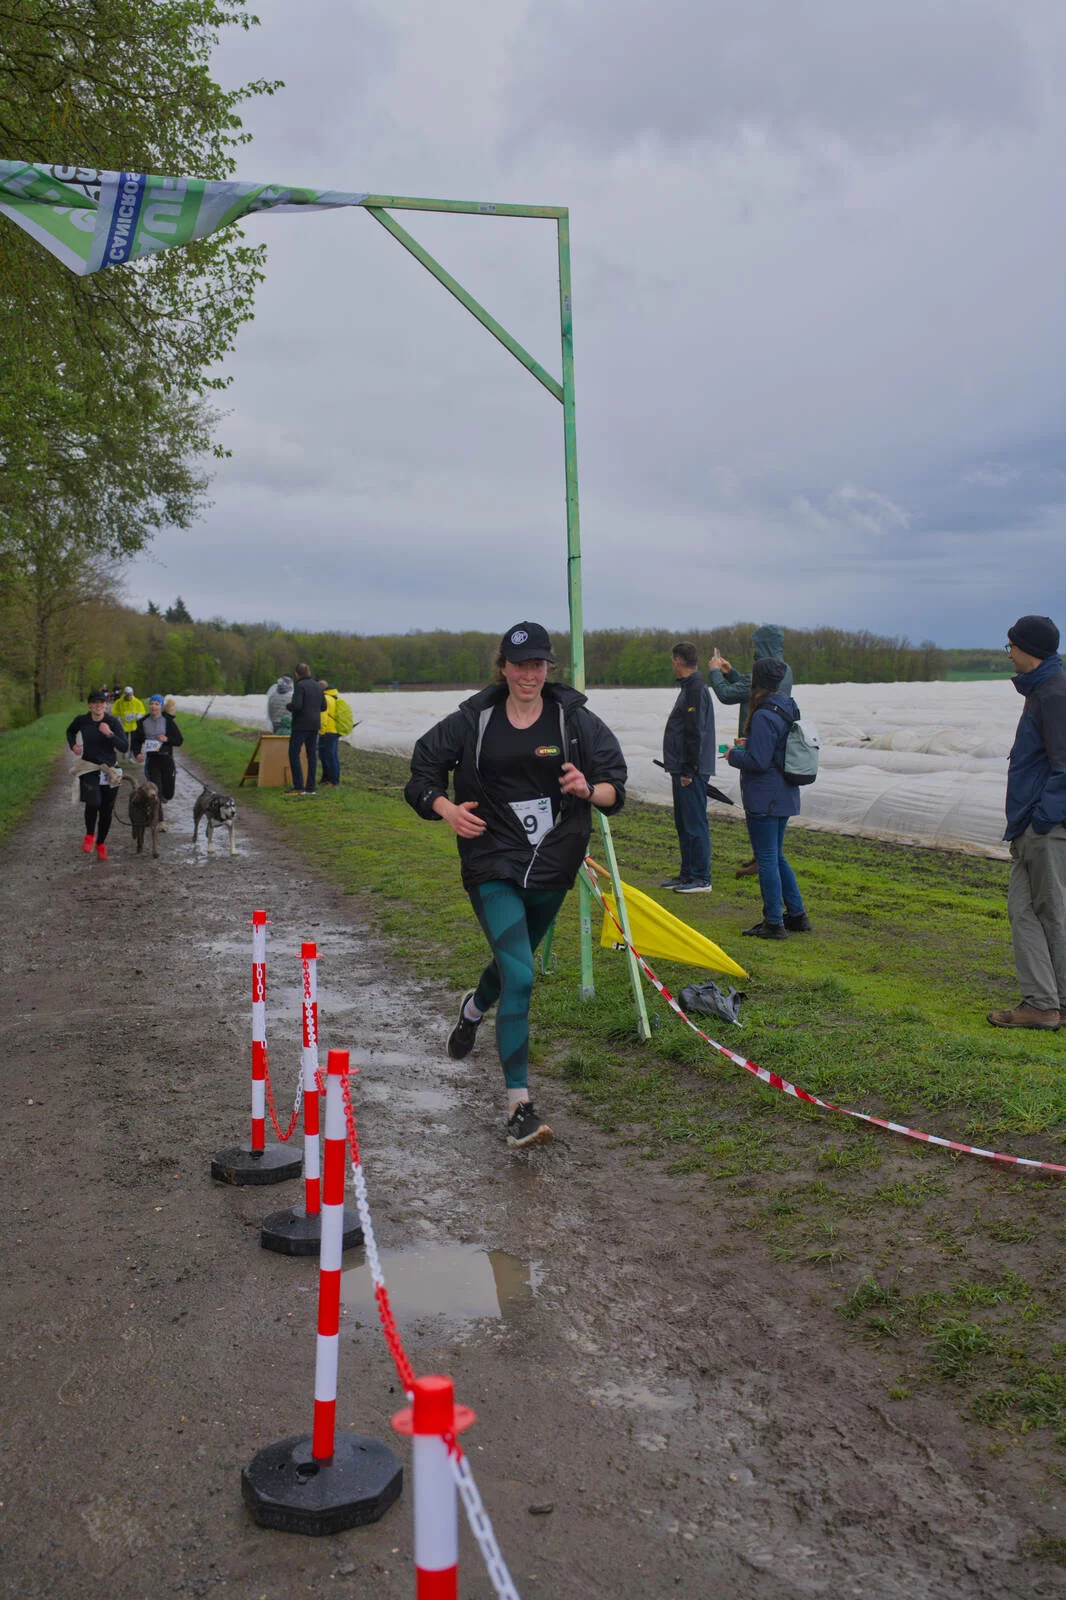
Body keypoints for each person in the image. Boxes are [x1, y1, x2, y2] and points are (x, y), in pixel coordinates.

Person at [405, 620, 627, 1148]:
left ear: (548, 668)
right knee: (522, 975)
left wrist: (588, 789)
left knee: (513, 963)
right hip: (493, 859)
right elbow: (421, 774)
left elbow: (616, 789)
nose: (530, 674)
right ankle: (519, 1107)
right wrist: (446, 809)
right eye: (520, 664)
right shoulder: (472, 720)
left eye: (539, 665)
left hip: (553, 862)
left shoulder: (574, 720)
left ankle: (472, 1009)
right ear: (503, 667)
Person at [988, 615, 1066, 1030]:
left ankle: (1044, 1005)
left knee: (1046, 912)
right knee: (1030, 910)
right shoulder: (1043, 690)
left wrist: (1042, 819)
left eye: (1012, 646)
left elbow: (1064, 765)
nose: (1009, 654)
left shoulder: (1053, 693)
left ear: (1029, 650)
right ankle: (1051, 1002)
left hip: (1045, 828)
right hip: (1034, 825)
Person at [726, 657, 811, 940]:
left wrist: (733, 755)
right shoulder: (787, 707)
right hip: (784, 791)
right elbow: (775, 749)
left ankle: (773, 922)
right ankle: (797, 915)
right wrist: (750, 744)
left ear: (757, 680)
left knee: (766, 858)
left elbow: (759, 761)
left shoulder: (763, 714)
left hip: (765, 796)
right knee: (776, 855)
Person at [709, 625, 793, 880]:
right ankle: (762, 856)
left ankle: (763, 858)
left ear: (764, 643)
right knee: (768, 810)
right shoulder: (784, 670)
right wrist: (731, 672)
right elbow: (751, 688)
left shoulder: (760, 675)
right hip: (774, 747)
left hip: (756, 744)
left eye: (755, 643)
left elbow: (727, 695)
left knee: (755, 803)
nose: (753, 647)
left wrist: (715, 672)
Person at [660, 641, 715, 892]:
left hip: (691, 770)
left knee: (694, 823)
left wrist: (688, 769)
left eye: (673, 661)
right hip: (683, 767)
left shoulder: (695, 688)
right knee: (683, 823)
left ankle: (701, 877)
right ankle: (687, 874)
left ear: (678, 661)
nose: (672, 665)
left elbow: (695, 732)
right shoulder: (688, 687)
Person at [66, 689, 128, 860]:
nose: (98, 706)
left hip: (109, 770)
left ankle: (101, 843)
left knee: (106, 810)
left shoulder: (112, 722)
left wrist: (109, 734)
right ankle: (89, 835)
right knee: (94, 802)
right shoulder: (82, 720)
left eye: (101, 703)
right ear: (89, 705)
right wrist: (73, 745)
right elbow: (70, 731)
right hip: (89, 767)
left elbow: (124, 747)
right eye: (94, 703)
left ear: (106, 705)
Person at [131, 694, 183, 830]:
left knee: (168, 793)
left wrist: (167, 739)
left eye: (156, 704)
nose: (153, 706)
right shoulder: (143, 722)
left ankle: (165, 797)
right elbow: (136, 740)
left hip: (167, 759)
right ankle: (160, 821)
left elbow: (179, 740)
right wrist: (137, 753)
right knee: (156, 792)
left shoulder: (168, 721)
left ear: (161, 706)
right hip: (152, 761)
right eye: (151, 704)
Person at [286, 664, 326, 796]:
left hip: (300, 725)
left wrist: (289, 706)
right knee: (312, 755)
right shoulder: (318, 686)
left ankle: (298, 786)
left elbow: (297, 705)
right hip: (314, 725)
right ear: (309, 672)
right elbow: (324, 707)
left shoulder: (299, 686)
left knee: (294, 753)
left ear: (297, 674)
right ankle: (310, 787)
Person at [318, 680, 341, 788]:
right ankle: (329, 779)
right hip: (335, 731)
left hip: (327, 731)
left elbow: (323, 717)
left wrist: (321, 731)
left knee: (328, 757)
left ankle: (333, 781)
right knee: (332, 756)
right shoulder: (334, 697)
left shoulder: (325, 699)